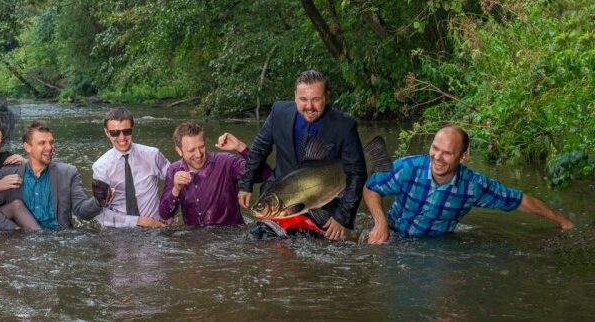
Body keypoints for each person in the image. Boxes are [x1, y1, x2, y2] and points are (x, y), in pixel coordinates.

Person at [364, 126, 575, 243]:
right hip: (394, 235)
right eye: (435, 148)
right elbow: (371, 187)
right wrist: (380, 223)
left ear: (463, 157)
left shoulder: (473, 186)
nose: (437, 157)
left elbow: (518, 200)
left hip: (436, 246)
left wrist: (564, 223)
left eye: (447, 153)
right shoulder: (406, 168)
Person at [238, 70, 367, 240]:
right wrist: (245, 184)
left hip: (324, 204)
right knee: (264, 247)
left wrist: (342, 217)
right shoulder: (279, 112)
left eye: (316, 99)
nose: (309, 106)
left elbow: (356, 173)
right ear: (295, 96)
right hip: (278, 199)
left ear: (326, 97)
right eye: (303, 99)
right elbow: (259, 148)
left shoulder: (345, 125)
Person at [0, 120, 104, 229]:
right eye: (42, 143)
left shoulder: (68, 173)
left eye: (51, 142)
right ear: (27, 147)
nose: (49, 147)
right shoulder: (9, 173)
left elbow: (81, 212)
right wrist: (14, 229)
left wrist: (98, 201)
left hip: (58, 241)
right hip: (24, 244)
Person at [159, 121, 269, 226]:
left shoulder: (227, 162)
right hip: (195, 239)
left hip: (230, 235)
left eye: (201, 147)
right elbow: (165, 214)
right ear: (179, 150)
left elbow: (264, 175)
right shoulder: (174, 170)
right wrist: (176, 190)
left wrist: (240, 147)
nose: (198, 154)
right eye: (191, 150)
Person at [92, 107, 169, 228]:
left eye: (126, 131)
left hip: (157, 229)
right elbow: (101, 214)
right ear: (107, 132)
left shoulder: (152, 155)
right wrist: (140, 221)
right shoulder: (101, 167)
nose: (122, 137)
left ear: (132, 129)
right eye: (115, 133)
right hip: (121, 232)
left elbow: (176, 181)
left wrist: (169, 212)